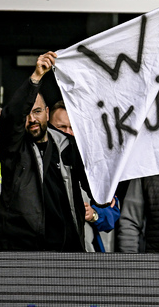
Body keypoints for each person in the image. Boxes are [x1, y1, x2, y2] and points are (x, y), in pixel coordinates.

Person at [0, 52, 89, 251]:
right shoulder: (14, 147)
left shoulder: (67, 144)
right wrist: (36, 78)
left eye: (37, 112)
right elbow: (11, 118)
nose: (32, 119)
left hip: (68, 250)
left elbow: (92, 181)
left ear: (47, 112)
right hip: (26, 252)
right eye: (27, 114)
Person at [49, 100, 120, 252]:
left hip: (87, 259)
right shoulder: (40, 166)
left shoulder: (93, 168)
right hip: (49, 255)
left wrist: (93, 214)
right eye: (61, 127)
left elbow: (113, 215)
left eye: (72, 128)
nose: (67, 133)